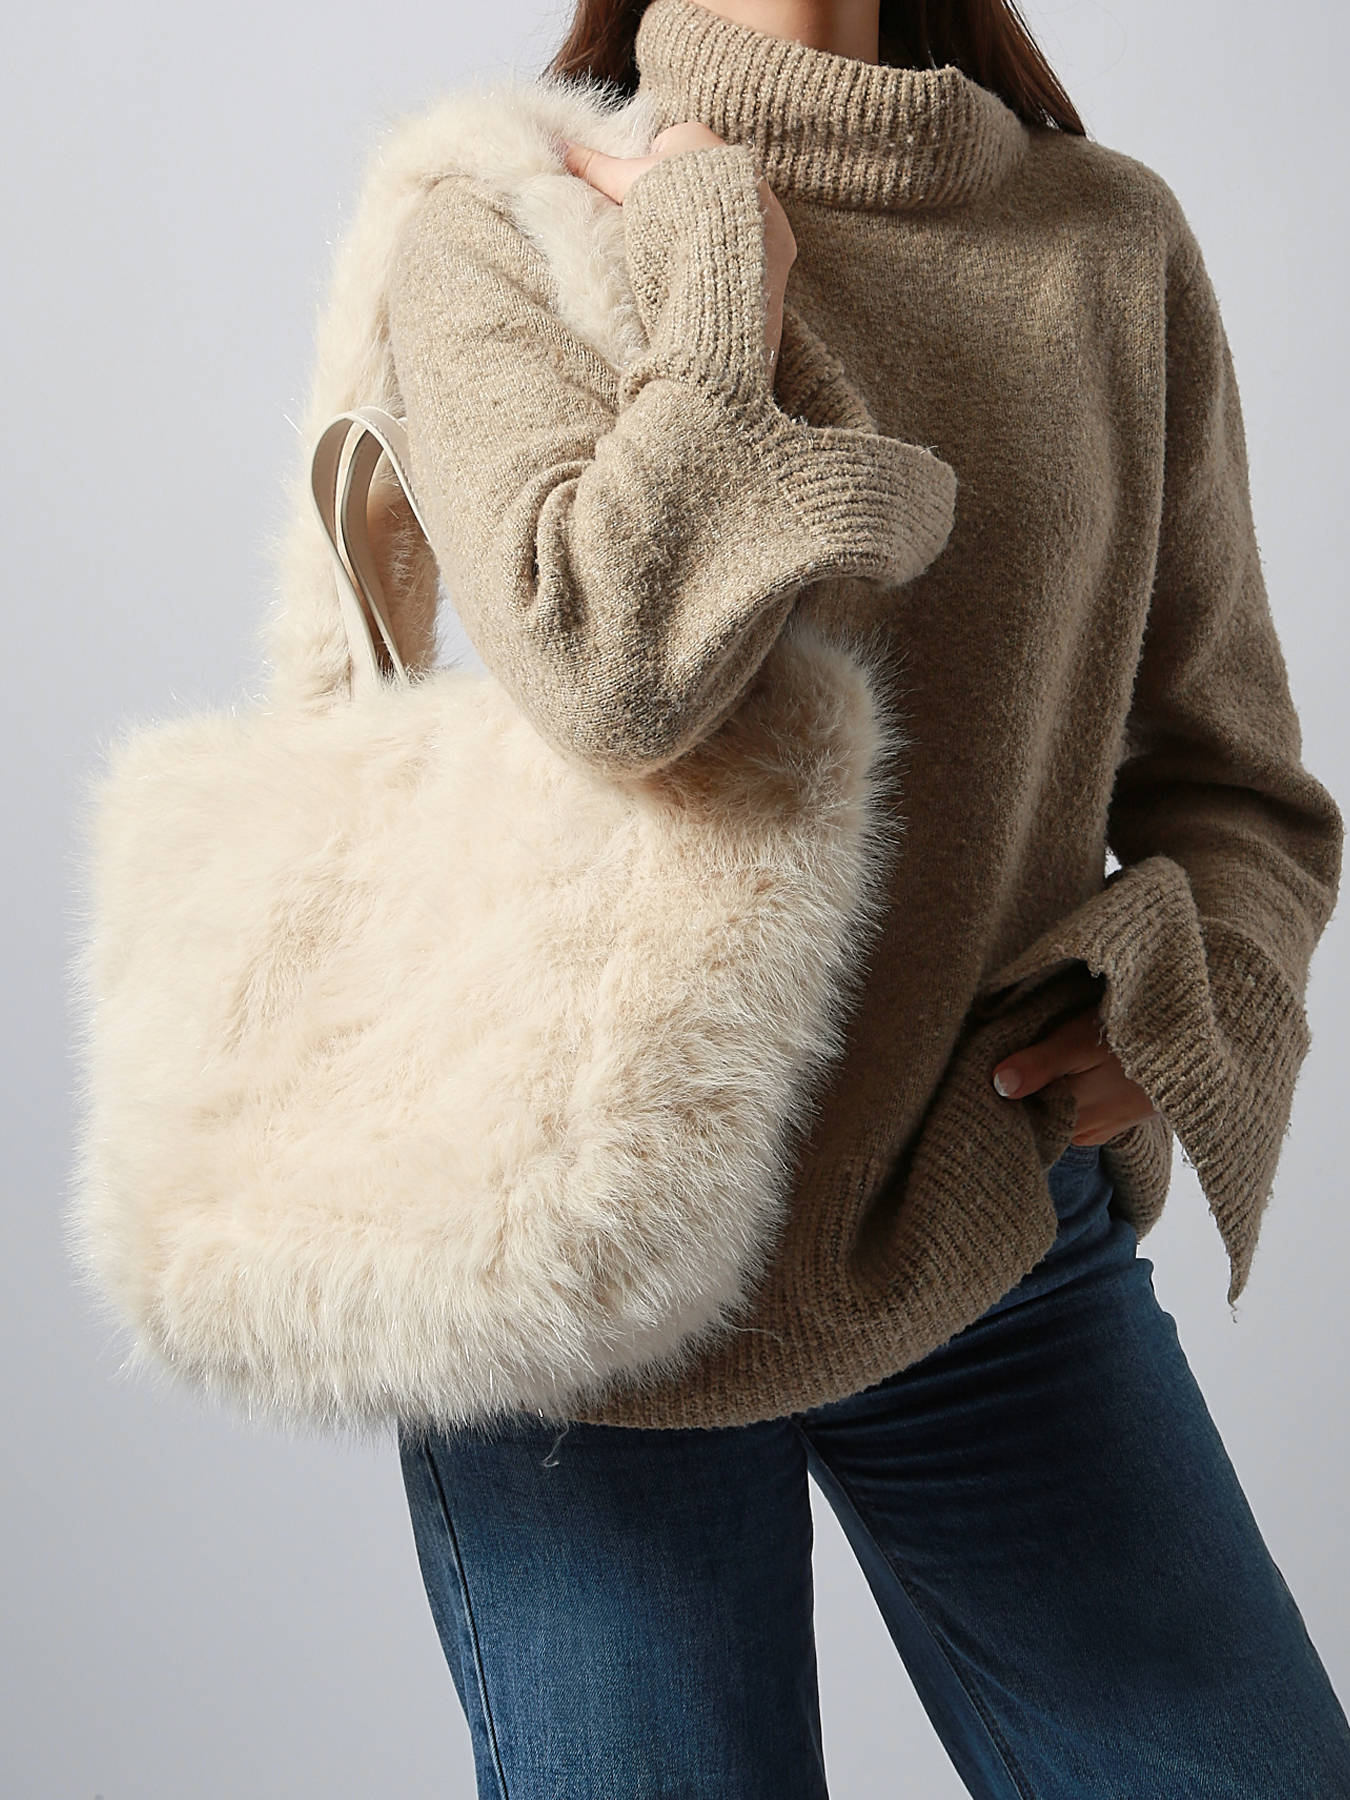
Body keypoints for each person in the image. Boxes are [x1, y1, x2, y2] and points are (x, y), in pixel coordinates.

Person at [386, 0, 1350, 1792]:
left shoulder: (1102, 241)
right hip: (581, 1291)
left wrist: (1192, 991)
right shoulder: (506, 218)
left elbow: (1234, 781)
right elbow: (609, 671)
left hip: (980, 1220)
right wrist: (713, 272)